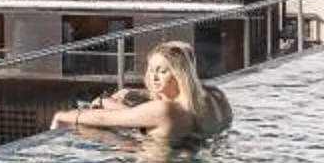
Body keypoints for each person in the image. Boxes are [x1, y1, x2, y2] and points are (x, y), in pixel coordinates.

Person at [50, 41, 232, 151]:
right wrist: (135, 93)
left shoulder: (163, 110)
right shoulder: (216, 96)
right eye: (151, 70)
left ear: (180, 74)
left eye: (161, 71)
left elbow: (101, 117)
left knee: (107, 134)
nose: (153, 76)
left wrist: (63, 116)